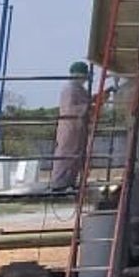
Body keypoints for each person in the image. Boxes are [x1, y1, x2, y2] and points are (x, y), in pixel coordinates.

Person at [50, 61, 92, 193]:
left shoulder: (80, 89)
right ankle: (59, 183)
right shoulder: (70, 89)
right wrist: (88, 107)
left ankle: (70, 181)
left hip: (79, 126)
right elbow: (70, 108)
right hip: (69, 126)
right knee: (66, 154)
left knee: (77, 156)